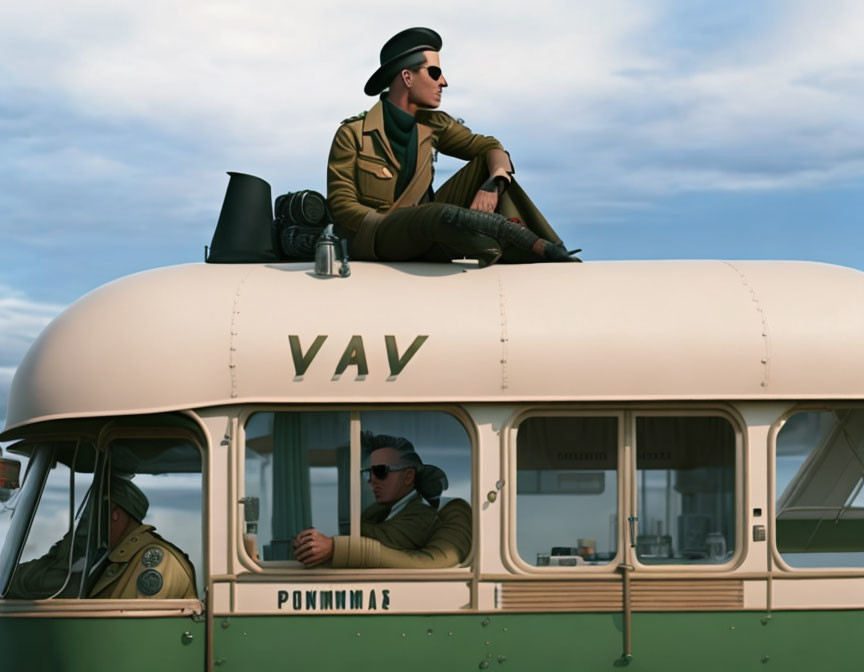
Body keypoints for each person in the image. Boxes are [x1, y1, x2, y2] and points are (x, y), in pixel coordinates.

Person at [327, 27, 581, 267]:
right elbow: (341, 205)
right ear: (407, 77)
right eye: (435, 73)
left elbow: (489, 147)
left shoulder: (434, 125)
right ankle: (511, 241)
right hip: (376, 238)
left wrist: (494, 183)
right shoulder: (353, 134)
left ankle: (547, 250)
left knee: (486, 168)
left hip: (431, 231)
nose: (444, 82)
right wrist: (398, 224)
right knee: (434, 215)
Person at [7, 475, 196, 600]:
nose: (86, 522)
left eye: (92, 513)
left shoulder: (156, 561)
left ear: (114, 513)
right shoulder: (111, 557)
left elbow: (124, 631)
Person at [293, 433, 447, 567]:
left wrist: (330, 545)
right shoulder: (379, 511)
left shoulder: (424, 515)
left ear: (408, 476)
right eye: (369, 473)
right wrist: (309, 544)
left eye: (380, 471)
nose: (372, 480)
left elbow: (381, 540)